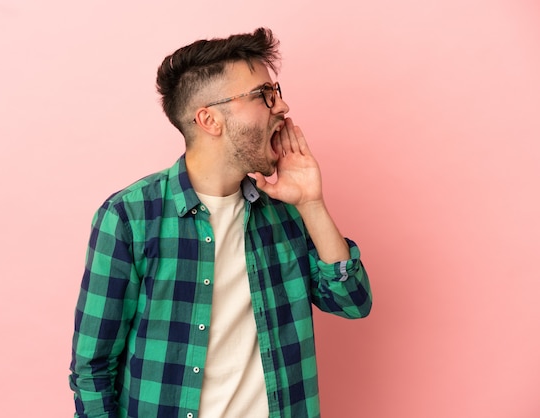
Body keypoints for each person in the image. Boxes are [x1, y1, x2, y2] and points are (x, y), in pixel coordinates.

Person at [69, 27, 372, 418]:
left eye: (275, 92)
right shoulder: (131, 217)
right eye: (264, 95)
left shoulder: (283, 209)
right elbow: (92, 368)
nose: (281, 107)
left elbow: (353, 302)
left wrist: (312, 203)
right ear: (209, 119)